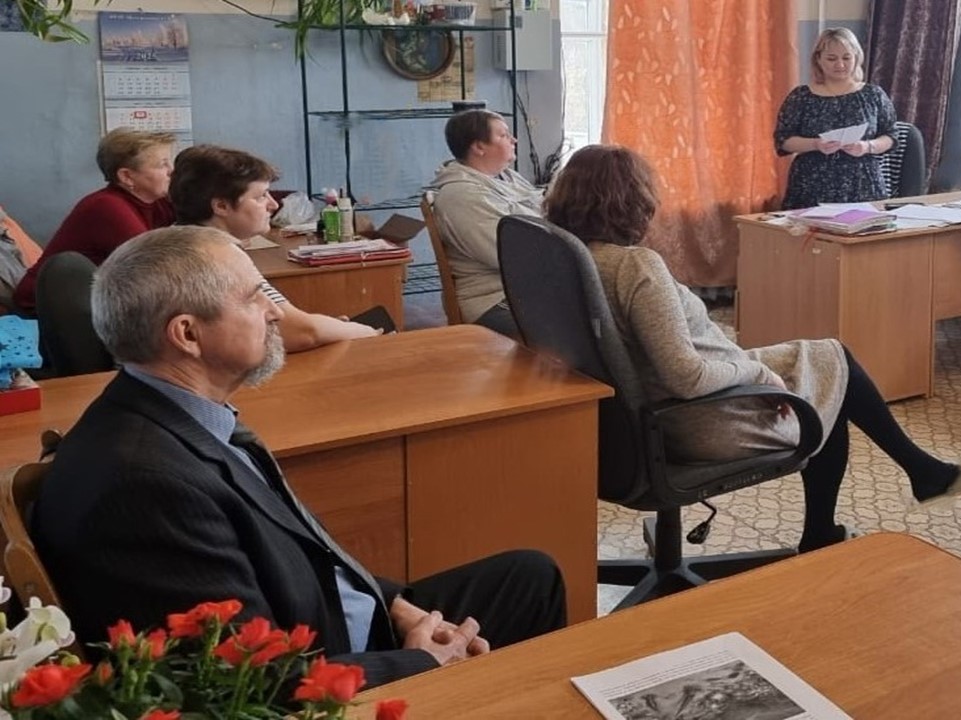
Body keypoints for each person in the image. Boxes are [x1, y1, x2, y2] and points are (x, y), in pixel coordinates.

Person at [31, 226, 567, 688]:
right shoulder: (145, 485)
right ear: (188, 334)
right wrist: (420, 662)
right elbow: (245, 683)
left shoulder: (177, 415)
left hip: (327, 621)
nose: (273, 312)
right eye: (253, 298)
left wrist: (397, 607)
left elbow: (311, 554)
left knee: (529, 577)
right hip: (323, 666)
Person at [543, 146, 961, 551]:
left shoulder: (570, 258)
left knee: (830, 361)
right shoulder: (636, 267)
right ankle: (856, 512)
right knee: (830, 380)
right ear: (632, 202)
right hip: (700, 417)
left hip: (647, 413)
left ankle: (909, 479)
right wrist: (758, 374)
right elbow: (687, 377)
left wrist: (748, 365)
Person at [169, 145, 381, 352]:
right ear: (221, 206)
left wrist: (330, 327)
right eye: (261, 196)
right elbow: (298, 332)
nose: (273, 205)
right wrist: (365, 331)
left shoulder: (176, 241)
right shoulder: (215, 256)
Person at [12, 128, 176, 312]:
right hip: (46, 308)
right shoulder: (107, 207)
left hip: (92, 302)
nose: (171, 171)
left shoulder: (155, 201)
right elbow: (155, 267)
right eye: (162, 165)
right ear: (127, 176)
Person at [430, 109, 542, 338]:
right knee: (587, 329)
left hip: (522, 290)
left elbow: (540, 209)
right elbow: (511, 255)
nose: (513, 140)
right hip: (493, 300)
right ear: (479, 147)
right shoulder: (462, 196)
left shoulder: (506, 177)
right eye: (503, 135)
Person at [774, 28, 897, 210]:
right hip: (811, 183)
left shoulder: (873, 94)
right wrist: (816, 144)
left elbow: (891, 136)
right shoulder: (801, 96)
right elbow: (783, 140)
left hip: (863, 183)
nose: (840, 64)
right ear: (818, 59)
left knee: (865, 226)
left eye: (846, 58)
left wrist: (867, 146)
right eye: (831, 59)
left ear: (856, 58)